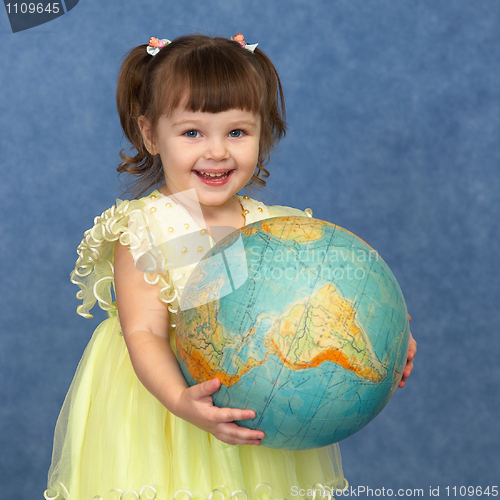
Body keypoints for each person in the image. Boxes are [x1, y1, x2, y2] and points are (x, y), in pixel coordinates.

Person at [44, 34, 417, 500]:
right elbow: (143, 333)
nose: (217, 151)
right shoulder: (156, 227)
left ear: (263, 133)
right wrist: (182, 401)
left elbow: (330, 298)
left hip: (256, 410)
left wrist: (383, 342)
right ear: (149, 135)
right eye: (192, 132)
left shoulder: (273, 229)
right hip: (167, 417)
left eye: (237, 132)